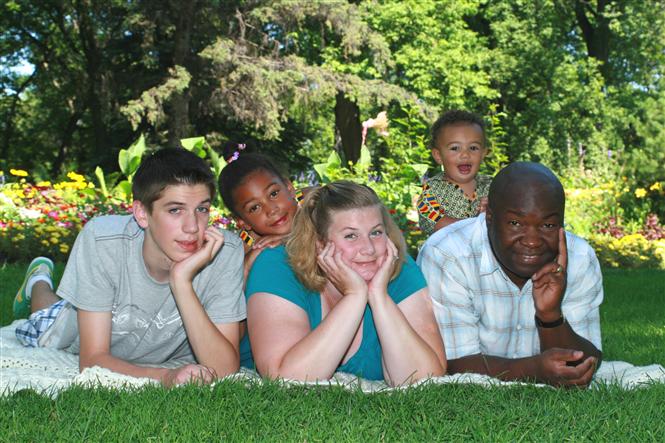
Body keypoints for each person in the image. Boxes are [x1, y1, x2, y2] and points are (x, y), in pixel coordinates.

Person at [12, 148, 246, 386]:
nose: (193, 227)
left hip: (151, 340)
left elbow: (224, 370)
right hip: (77, 325)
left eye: (202, 209)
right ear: (142, 214)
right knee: (46, 317)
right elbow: (92, 359)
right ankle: (38, 280)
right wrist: (166, 376)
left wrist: (181, 282)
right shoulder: (103, 241)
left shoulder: (224, 251)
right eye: (175, 210)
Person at [241, 180, 446, 386]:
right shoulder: (277, 265)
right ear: (319, 244)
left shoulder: (396, 265)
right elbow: (285, 380)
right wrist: (355, 296)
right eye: (351, 236)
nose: (369, 249)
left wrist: (379, 296)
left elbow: (424, 381)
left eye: (376, 232)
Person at [418, 162, 603, 387]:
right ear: (489, 219)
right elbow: (450, 364)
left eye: (548, 225)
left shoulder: (579, 256)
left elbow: (586, 362)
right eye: (515, 223)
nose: (532, 241)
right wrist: (533, 370)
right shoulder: (448, 253)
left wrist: (550, 316)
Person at [218, 149, 305, 280]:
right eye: (254, 208)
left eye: (274, 194)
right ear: (242, 222)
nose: (271, 210)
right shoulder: (245, 249)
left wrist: (294, 237)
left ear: (289, 188)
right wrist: (246, 268)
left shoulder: (311, 204)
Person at [416, 110, 492, 235]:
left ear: (483, 153)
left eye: (473, 148)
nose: (465, 155)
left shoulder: (493, 187)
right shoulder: (432, 191)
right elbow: (438, 223)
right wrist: (478, 221)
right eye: (455, 148)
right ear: (438, 155)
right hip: (445, 254)